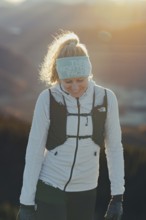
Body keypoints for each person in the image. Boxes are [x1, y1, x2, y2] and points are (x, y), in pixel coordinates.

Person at [17, 30, 125, 220]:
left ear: (89, 74)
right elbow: (34, 151)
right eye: (68, 82)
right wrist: (26, 202)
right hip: (50, 185)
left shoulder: (106, 99)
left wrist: (117, 197)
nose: (75, 87)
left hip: (86, 189)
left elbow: (114, 148)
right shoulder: (48, 99)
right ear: (59, 77)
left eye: (80, 80)